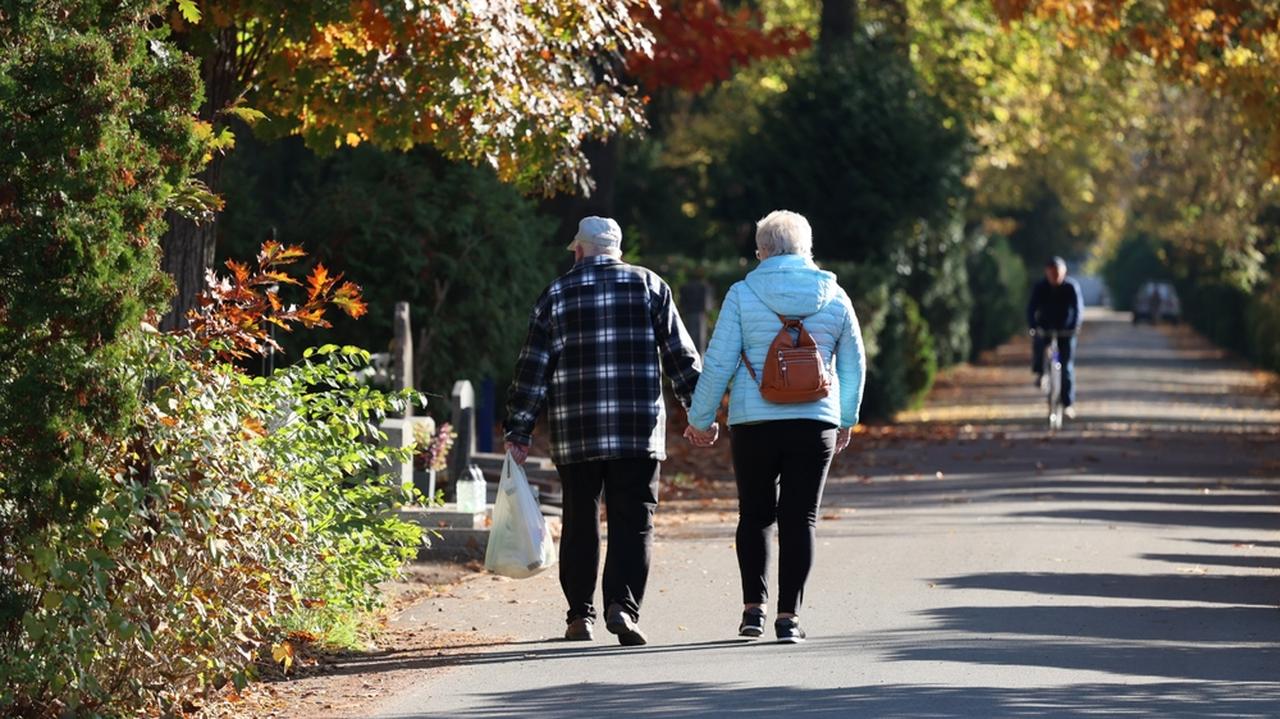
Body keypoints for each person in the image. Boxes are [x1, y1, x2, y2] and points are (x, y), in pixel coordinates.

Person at [503, 216, 702, 646]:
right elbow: (680, 357)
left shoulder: (556, 294)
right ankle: (622, 606)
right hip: (638, 430)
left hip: (577, 432)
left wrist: (519, 429)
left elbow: (533, 369)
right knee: (634, 521)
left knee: (579, 519)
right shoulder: (650, 286)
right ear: (617, 251)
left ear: (579, 250)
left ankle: (579, 615)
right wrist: (697, 413)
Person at [683, 210, 865, 644]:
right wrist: (845, 419)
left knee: (756, 514)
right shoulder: (835, 295)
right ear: (807, 249)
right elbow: (855, 363)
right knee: (800, 518)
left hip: (754, 419)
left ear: (762, 251)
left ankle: (753, 612)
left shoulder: (743, 293)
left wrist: (701, 419)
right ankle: (789, 618)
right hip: (815, 419)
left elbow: (721, 360)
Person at [1027, 256, 1085, 417]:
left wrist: (1075, 326)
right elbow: (1031, 308)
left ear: (1064, 272)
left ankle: (1067, 404)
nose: (1054, 276)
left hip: (1066, 331)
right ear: (1046, 272)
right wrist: (1033, 326)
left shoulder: (1071, 287)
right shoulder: (1040, 287)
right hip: (1045, 328)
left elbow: (1078, 309)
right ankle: (1040, 373)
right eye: (1051, 273)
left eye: (1057, 273)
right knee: (1038, 343)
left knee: (1066, 367)